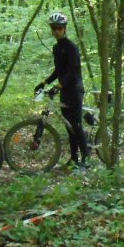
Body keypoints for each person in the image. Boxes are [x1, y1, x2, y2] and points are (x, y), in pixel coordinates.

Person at [35, 12, 89, 168]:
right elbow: (59, 71)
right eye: (53, 28)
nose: (56, 31)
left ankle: (86, 159)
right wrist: (44, 83)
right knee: (69, 126)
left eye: (58, 28)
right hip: (64, 90)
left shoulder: (72, 47)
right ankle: (73, 159)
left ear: (65, 29)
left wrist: (59, 86)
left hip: (75, 90)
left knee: (76, 125)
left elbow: (73, 71)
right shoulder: (56, 47)